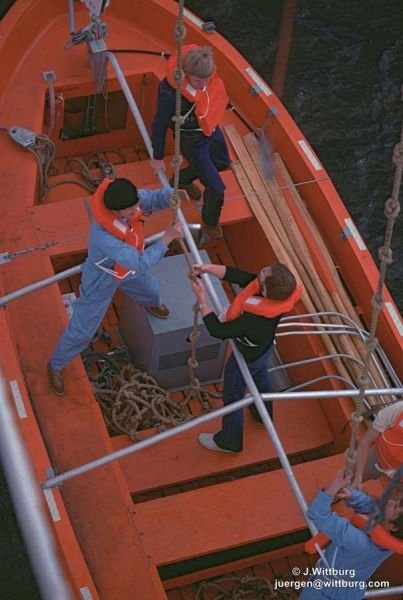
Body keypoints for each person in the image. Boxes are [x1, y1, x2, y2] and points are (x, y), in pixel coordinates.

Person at [47, 177, 182, 396]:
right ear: (116, 212)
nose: (136, 211)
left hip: (126, 268)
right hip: (102, 277)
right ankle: (55, 365)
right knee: (83, 330)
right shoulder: (103, 236)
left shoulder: (128, 198)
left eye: (136, 206)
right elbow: (139, 263)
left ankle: (151, 303)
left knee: (151, 289)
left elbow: (152, 198)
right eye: (131, 211)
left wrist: (170, 196)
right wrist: (167, 238)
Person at [190, 261, 301, 453]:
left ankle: (230, 441)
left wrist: (202, 301)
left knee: (233, 396)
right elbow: (239, 276)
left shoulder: (253, 322)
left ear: (265, 290)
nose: (261, 270)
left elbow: (218, 330)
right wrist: (208, 268)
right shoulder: (275, 297)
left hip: (247, 358)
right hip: (264, 350)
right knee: (261, 380)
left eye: (264, 272)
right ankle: (262, 414)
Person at [150, 45, 230, 240]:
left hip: (209, 128)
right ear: (185, 74)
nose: (202, 86)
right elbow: (159, 125)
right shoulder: (170, 96)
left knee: (222, 161)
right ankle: (210, 223)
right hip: (192, 141)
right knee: (217, 188)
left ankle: (183, 180)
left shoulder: (204, 81)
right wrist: (157, 157)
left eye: (206, 80)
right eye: (197, 81)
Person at [300, 469, 403, 599]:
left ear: (393, 527)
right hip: (352, 590)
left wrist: (333, 488)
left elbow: (317, 514)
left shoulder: (357, 542)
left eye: (395, 507)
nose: (391, 501)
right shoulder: (394, 538)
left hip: (327, 591)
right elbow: (371, 506)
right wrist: (352, 495)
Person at [353, 400, 403, 486]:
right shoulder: (399, 409)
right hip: (376, 457)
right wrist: (358, 477)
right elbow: (366, 441)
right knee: (348, 480)